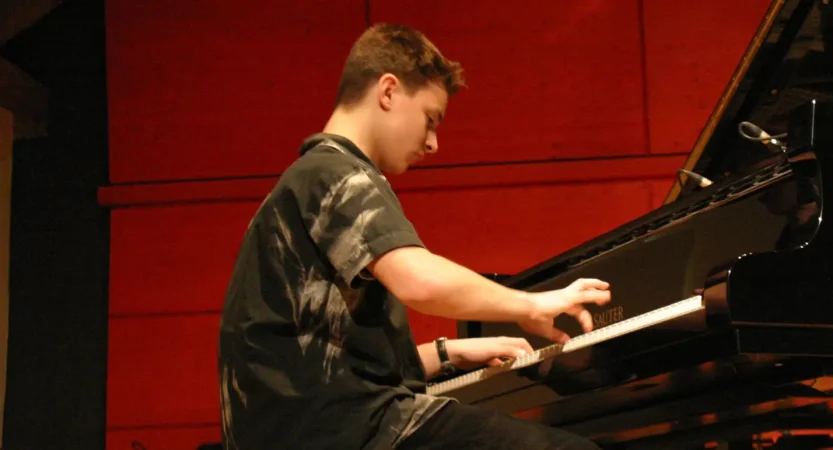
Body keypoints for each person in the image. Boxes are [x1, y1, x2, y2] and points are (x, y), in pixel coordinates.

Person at [217, 23, 611, 450]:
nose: (433, 143)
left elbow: (331, 364)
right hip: (344, 431)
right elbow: (417, 281)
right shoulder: (335, 173)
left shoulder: (301, 183)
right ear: (388, 92)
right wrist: (530, 304)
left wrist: (447, 353)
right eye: (430, 119)